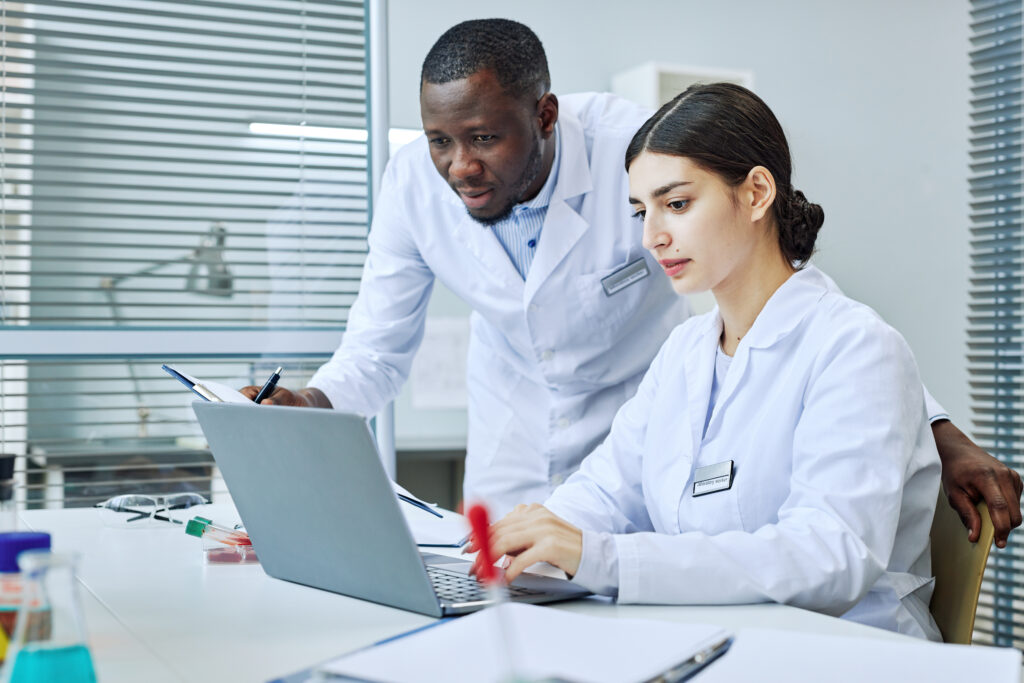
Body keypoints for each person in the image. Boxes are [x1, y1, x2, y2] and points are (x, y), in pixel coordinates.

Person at [241, 19, 1021, 544]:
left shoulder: (631, 150)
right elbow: (374, 350)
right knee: (500, 610)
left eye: (483, 138)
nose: (460, 167)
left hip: (645, 444)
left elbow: (783, 289)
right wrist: (307, 402)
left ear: (545, 115)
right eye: (441, 140)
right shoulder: (415, 182)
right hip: (514, 439)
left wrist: (935, 432)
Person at [475, 83, 942, 639]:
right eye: (640, 212)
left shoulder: (856, 347)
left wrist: (605, 559)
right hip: (717, 641)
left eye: (676, 204)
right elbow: (606, 489)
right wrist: (530, 540)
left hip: (851, 653)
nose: (652, 237)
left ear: (756, 193)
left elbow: (827, 556)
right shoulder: (685, 351)